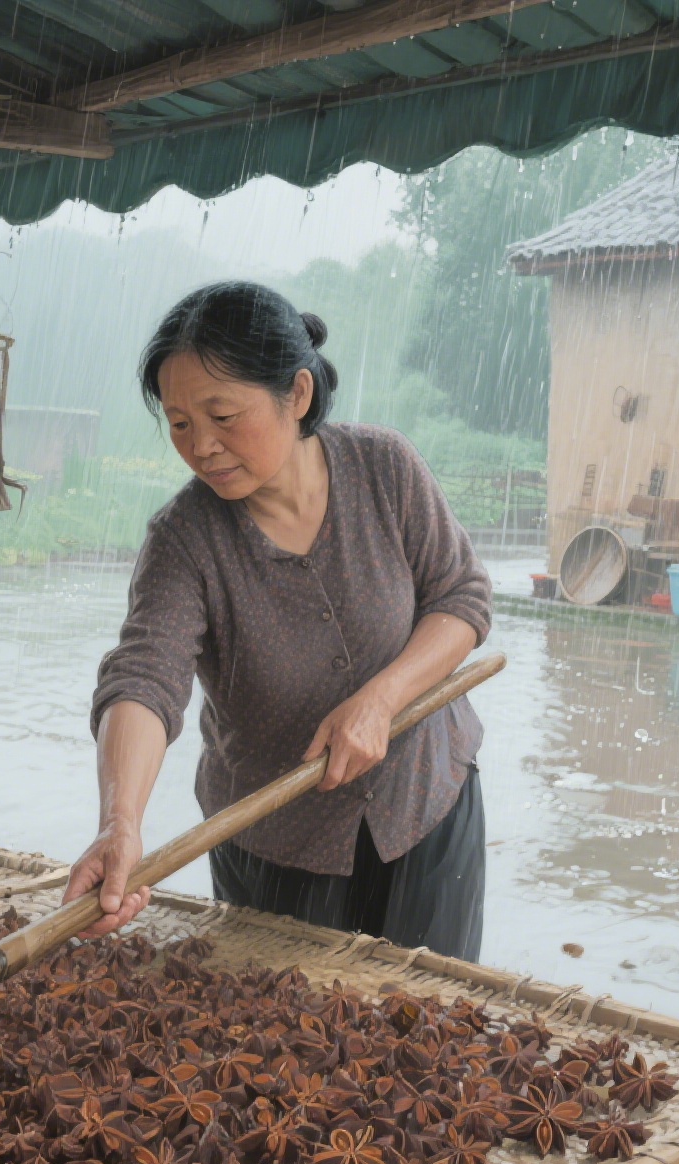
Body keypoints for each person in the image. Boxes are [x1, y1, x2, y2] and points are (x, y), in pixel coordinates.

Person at [61, 282, 492, 959]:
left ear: (296, 394)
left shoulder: (386, 468)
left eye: (223, 415)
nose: (201, 445)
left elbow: (460, 598)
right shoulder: (185, 540)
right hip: (278, 845)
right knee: (292, 1047)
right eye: (179, 423)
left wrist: (381, 699)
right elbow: (144, 681)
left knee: (433, 1028)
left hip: (427, 810)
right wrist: (121, 823)